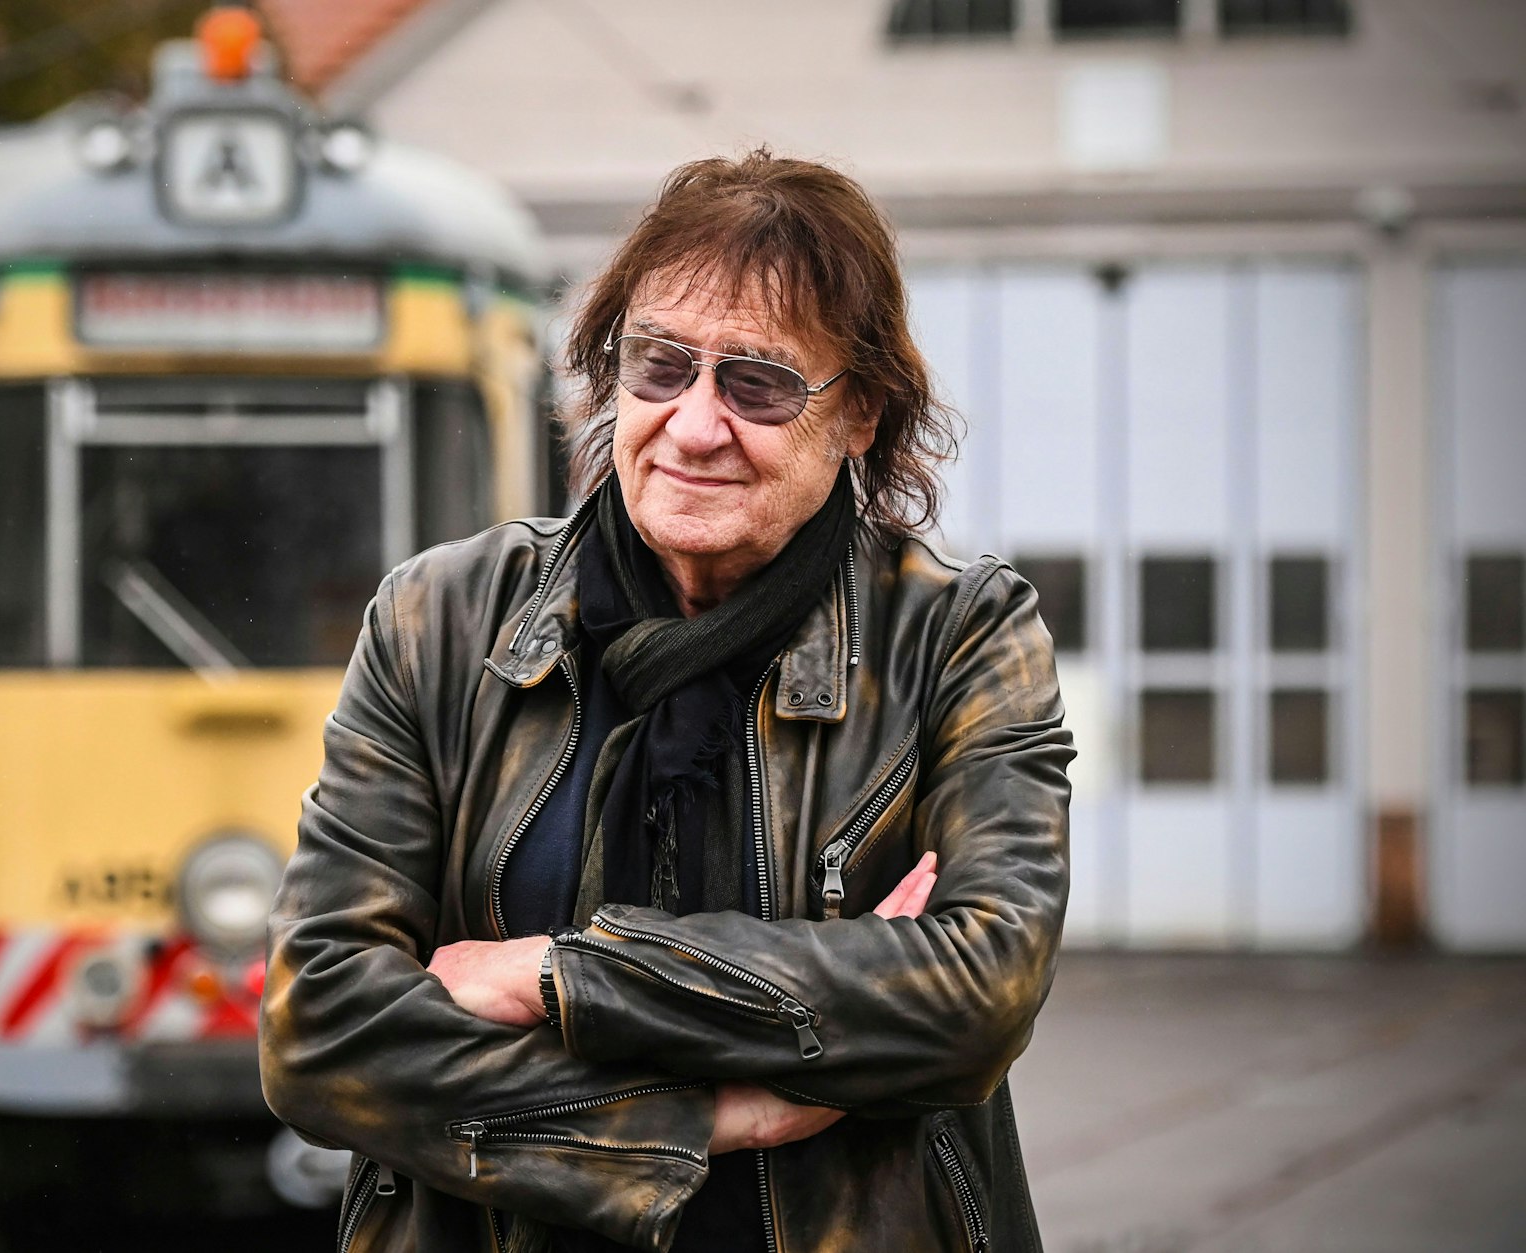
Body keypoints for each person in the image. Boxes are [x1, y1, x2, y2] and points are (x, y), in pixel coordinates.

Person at [260, 148, 1074, 1252]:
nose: (693, 425)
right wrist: (693, 1121)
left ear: (860, 414)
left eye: (758, 383)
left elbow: (978, 990)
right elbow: (318, 1026)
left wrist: (548, 973)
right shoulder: (439, 621)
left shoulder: (956, 637)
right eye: (659, 366)